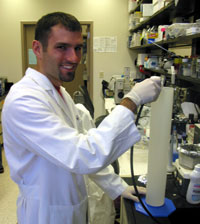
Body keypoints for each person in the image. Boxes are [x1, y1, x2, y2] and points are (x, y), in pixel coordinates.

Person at [2, 12, 161, 224]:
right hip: (45, 214)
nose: (74, 58)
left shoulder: (59, 92)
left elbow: (85, 139)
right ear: (38, 49)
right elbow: (82, 154)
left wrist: (118, 187)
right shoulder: (24, 100)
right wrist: (132, 100)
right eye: (62, 47)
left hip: (71, 205)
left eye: (78, 48)